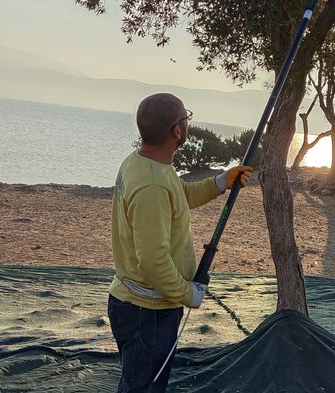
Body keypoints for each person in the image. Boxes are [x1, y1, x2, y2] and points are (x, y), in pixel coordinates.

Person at [107, 92, 253, 393]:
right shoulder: (151, 185)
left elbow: (179, 196)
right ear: (176, 131)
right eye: (186, 117)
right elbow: (153, 260)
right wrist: (188, 293)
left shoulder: (143, 163)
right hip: (148, 314)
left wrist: (220, 182)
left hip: (138, 306)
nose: (187, 123)